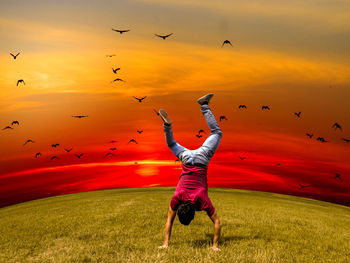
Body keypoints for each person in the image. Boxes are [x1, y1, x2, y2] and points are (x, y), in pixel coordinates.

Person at [158, 93, 222, 251]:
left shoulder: (202, 200)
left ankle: (204, 105)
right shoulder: (177, 198)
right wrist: (165, 243)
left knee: (217, 133)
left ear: (194, 213)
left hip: (201, 160)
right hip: (186, 158)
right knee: (172, 144)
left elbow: (217, 223)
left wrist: (215, 246)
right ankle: (167, 126)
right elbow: (169, 221)